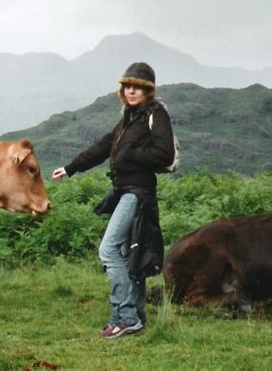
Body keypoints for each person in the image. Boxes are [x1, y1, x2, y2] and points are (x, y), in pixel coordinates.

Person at [52, 62, 175, 339]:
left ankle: (126, 316)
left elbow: (164, 154)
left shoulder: (156, 115)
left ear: (148, 91)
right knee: (129, 256)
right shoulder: (129, 118)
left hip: (138, 193)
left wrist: (130, 154)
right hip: (124, 191)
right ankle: (136, 318)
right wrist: (71, 168)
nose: (131, 91)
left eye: (138, 87)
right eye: (127, 86)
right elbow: (103, 147)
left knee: (108, 250)